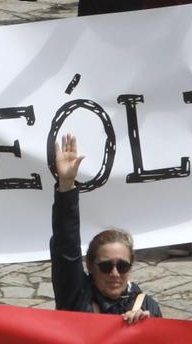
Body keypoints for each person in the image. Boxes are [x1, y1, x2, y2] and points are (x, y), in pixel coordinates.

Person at [51, 133, 160, 321]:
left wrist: (145, 328)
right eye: (106, 266)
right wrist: (66, 185)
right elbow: (65, 244)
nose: (115, 274)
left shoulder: (148, 307)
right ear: (91, 266)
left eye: (123, 266)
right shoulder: (75, 294)